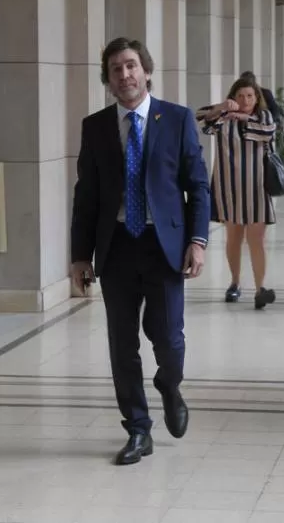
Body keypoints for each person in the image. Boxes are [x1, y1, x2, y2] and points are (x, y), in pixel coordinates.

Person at [70, 37, 211, 466]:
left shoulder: (178, 119)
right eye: (116, 69)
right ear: (108, 80)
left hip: (164, 245)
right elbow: (87, 196)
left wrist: (198, 241)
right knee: (122, 343)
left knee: (168, 338)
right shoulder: (95, 127)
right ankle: (137, 428)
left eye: (131, 66)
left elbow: (198, 186)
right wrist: (80, 255)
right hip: (116, 247)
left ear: (146, 71)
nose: (125, 75)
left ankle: (169, 385)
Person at [196, 77, 278, 310]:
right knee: (234, 238)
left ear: (257, 98)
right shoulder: (223, 118)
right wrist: (222, 107)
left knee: (257, 239)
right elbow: (200, 116)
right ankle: (234, 283)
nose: (245, 100)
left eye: (250, 96)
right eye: (240, 96)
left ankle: (260, 288)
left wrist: (243, 117)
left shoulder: (263, 117)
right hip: (228, 187)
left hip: (257, 187)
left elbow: (267, 131)